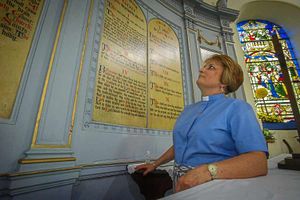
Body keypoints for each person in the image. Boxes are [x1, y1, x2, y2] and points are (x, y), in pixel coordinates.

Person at [135, 54, 268, 193]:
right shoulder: (189, 109)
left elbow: (258, 162)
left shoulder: (237, 108)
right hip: (180, 183)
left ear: (225, 81)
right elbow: (181, 144)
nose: (201, 70)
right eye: (204, 66)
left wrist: (207, 171)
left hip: (215, 185)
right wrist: (155, 164)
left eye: (210, 67)